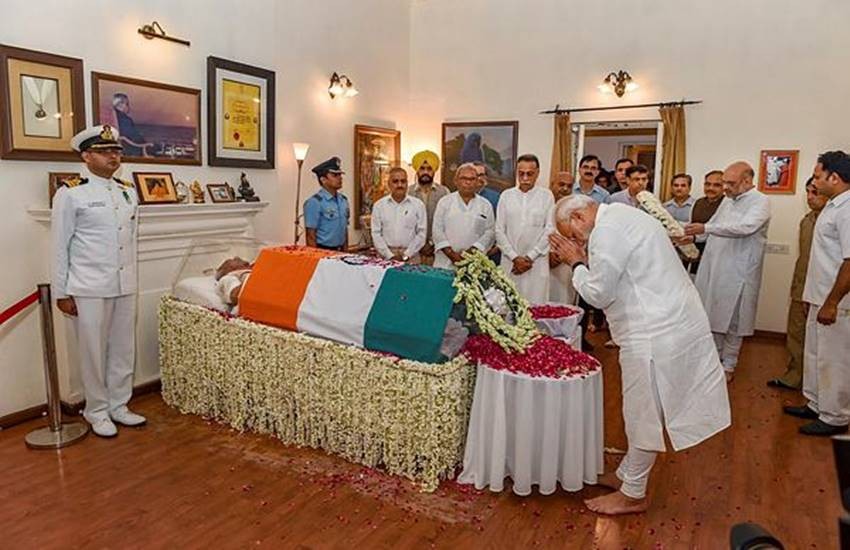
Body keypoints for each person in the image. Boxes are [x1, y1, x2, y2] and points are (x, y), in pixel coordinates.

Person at [549, 195, 730, 515]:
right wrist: (583, 257)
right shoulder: (623, 215)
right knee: (646, 408)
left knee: (642, 412)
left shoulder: (606, 231)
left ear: (578, 217)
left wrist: (575, 262)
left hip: (652, 331)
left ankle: (633, 493)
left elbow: (598, 293)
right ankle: (627, 476)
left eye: (573, 235)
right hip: (668, 322)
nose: (577, 242)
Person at [52, 124, 144, 438]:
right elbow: (60, 245)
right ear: (86, 156)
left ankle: (119, 405)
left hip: (124, 282)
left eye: (116, 151)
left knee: (123, 348)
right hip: (88, 285)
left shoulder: (127, 190)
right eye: (104, 152)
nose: (113, 157)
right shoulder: (70, 192)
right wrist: (62, 292)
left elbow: (130, 240)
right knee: (92, 351)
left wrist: (131, 278)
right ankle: (97, 410)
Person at [684, 161, 771, 383]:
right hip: (715, 269)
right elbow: (711, 229)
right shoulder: (727, 200)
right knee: (712, 316)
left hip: (738, 273)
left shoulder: (760, 201)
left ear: (747, 181)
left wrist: (705, 228)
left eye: (730, 183)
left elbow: (745, 228)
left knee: (734, 321)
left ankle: (729, 364)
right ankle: (714, 361)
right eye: (724, 183)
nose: (725, 188)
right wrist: (691, 236)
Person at [784, 151, 850, 436]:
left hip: (836, 302)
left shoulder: (847, 209)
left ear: (834, 178)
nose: (814, 181)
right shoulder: (833, 206)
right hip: (817, 297)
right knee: (814, 354)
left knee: (832, 360)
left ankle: (835, 416)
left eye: (818, 176)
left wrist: (832, 302)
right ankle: (815, 404)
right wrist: (810, 297)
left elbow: (849, 261)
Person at [767, 178, 826, 391]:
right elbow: (805, 258)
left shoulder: (835, 220)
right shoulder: (806, 220)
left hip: (824, 291)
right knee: (796, 333)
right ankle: (794, 377)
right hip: (801, 286)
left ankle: (818, 386)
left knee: (822, 342)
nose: (810, 197)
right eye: (807, 192)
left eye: (815, 192)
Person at [495, 154, 555, 304]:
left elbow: (550, 229)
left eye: (530, 174)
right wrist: (515, 258)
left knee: (536, 307)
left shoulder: (546, 196)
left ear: (538, 173)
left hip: (536, 263)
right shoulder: (506, 196)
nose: (525, 178)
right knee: (510, 306)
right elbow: (499, 230)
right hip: (510, 263)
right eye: (521, 173)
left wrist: (529, 258)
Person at [432, 163, 495, 270]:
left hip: (474, 263)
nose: (468, 182)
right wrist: (452, 254)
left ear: (477, 182)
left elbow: (490, 232)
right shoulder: (445, 202)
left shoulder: (485, 205)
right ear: (456, 181)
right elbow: (437, 230)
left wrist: (471, 252)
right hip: (445, 262)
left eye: (472, 179)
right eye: (464, 178)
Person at [370, 167, 427, 263]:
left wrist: (407, 255)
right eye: (395, 181)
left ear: (407, 183)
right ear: (389, 184)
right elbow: (376, 234)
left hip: (412, 256)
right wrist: (390, 256)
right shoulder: (379, 206)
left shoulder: (418, 205)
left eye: (403, 181)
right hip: (385, 256)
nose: (399, 185)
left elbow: (421, 234)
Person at [409, 150, 449, 265]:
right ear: (417, 170)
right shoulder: (408, 192)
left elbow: (446, 222)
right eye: (422, 168)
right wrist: (419, 245)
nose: (425, 172)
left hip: (437, 250)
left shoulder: (444, 192)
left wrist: (431, 243)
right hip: (412, 251)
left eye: (429, 169)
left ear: (434, 171)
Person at [304, 157, 350, 251]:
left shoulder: (343, 200)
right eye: (335, 175)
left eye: (340, 175)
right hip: (323, 250)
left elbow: (344, 229)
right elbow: (310, 235)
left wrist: (346, 252)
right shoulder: (315, 202)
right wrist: (315, 257)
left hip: (340, 250)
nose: (340, 178)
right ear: (323, 179)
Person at [688, 170, 726, 274]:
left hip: (717, 257)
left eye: (717, 185)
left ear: (724, 187)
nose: (710, 188)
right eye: (707, 184)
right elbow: (691, 226)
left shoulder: (728, 204)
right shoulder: (698, 202)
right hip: (697, 255)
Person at [549, 174, 576, 305]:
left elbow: (579, 237)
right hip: (541, 260)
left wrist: (559, 256)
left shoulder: (576, 210)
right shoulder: (542, 204)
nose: (565, 189)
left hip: (565, 264)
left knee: (563, 303)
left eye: (569, 186)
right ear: (552, 185)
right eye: (561, 184)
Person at [473, 161, 501, 264]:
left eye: (481, 175)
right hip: (467, 253)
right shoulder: (461, 197)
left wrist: (495, 249)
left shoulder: (496, 197)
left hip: (490, 254)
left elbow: (502, 226)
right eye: (475, 175)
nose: (479, 178)